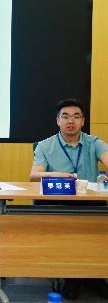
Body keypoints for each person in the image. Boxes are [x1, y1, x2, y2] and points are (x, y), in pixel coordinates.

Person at [30, 98, 108, 300]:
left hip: (91, 203)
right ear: (58, 120)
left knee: (97, 229)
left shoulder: (93, 143)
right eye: (65, 116)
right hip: (58, 202)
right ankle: (72, 278)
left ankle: (95, 276)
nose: (70, 121)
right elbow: (34, 176)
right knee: (70, 228)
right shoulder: (45, 145)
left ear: (83, 121)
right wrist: (58, 175)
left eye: (76, 116)